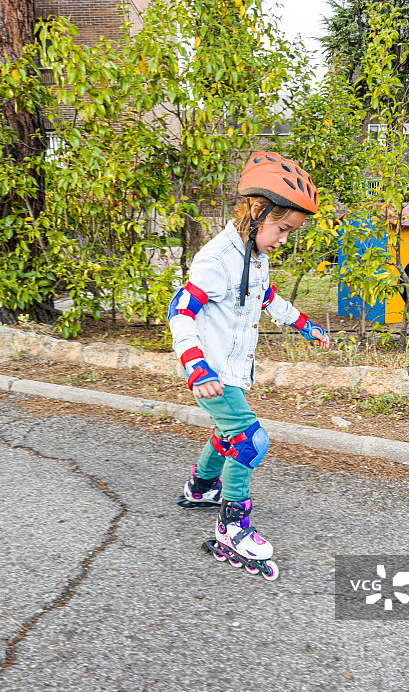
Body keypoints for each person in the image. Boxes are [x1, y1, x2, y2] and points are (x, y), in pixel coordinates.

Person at [168, 150, 330, 575]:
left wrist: (305, 325)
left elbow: (267, 297)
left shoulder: (256, 256)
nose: (283, 239)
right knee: (250, 439)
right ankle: (233, 528)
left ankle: (202, 487)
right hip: (209, 369)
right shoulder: (217, 259)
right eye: (281, 228)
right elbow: (181, 311)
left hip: (231, 370)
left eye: (290, 232)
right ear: (256, 212)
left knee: (227, 432)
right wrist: (195, 364)